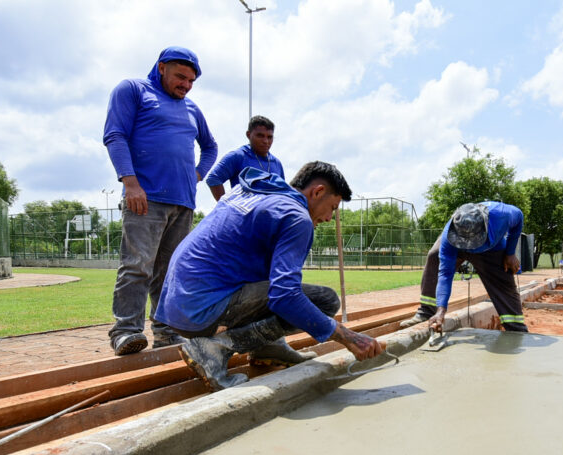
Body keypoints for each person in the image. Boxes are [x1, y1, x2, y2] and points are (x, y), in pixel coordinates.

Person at [155, 162, 386, 391]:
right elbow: (285, 297)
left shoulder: (253, 191)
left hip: (176, 304)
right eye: (333, 208)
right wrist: (347, 337)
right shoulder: (297, 217)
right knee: (324, 301)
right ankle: (215, 350)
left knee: (276, 282)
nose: (328, 218)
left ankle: (268, 347)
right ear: (318, 192)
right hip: (200, 310)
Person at [103, 46, 218, 356]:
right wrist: (130, 182)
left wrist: (197, 174)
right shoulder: (133, 90)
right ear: (162, 67)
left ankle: (166, 332)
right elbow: (115, 135)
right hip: (145, 197)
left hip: (183, 202)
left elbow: (210, 147)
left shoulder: (192, 109)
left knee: (170, 272)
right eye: (181, 77)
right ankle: (126, 332)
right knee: (138, 266)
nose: (186, 85)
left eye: (192, 80)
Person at [400, 201, 529, 332]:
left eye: (473, 241)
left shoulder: (502, 214)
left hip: (491, 249)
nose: (469, 246)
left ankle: (515, 328)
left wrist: (510, 252)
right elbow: (445, 274)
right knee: (434, 256)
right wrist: (441, 310)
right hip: (456, 246)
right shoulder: (448, 239)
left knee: (503, 279)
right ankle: (428, 312)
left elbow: (519, 217)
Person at [206, 115, 284, 201]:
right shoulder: (238, 156)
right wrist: (228, 206)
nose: (266, 141)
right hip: (246, 213)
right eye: (260, 136)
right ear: (248, 135)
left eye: (269, 137)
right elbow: (213, 179)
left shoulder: (276, 163)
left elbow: (283, 193)